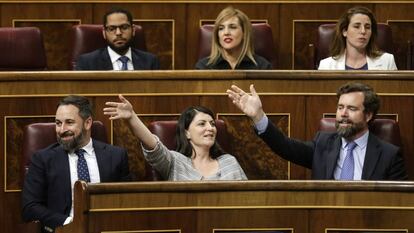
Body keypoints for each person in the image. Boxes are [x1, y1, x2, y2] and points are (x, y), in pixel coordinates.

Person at [227, 82, 407, 180]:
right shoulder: (323, 144)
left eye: (351, 109)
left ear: (368, 115)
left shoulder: (389, 155)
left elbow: (396, 206)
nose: (343, 114)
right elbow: (284, 146)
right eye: (340, 107)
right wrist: (258, 116)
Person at [21, 95, 131, 232]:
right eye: (58, 123)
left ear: (87, 123)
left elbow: (127, 202)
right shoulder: (43, 159)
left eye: (69, 122)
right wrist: (69, 223)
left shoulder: (116, 156)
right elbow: (30, 208)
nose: (61, 130)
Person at [104, 94, 247, 180]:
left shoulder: (229, 162)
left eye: (212, 124)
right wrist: (132, 117)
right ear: (187, 133)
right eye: (202, 124)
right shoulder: (175, 162)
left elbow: (247, 200)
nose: (210, 128)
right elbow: (153, 146)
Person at [75, 7, 160, 70]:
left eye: (124, 27)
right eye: (112, 29)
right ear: (104, 33)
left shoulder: (150, 61)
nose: (118, 33)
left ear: (133, 30)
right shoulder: (87, 63)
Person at [318, 6, 397, 70]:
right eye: (356, 26)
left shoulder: (387, 61)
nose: (363, 31)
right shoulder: (326, 66)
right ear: (345, 31)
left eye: (367, 27)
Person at [195, 6, 272, 70]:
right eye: (221, 28)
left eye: (233, 27)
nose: (226, 33)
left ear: (244, 33)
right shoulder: (204, 67)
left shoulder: (263, 67)